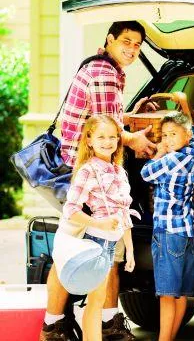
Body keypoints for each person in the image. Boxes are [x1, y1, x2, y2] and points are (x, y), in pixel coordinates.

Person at [40, 21, 155, 341]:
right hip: (88, 176)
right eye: (127, 42)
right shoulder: (105, 74)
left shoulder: (105, 69)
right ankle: (98, 326)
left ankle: (60, 325)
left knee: (82, 251)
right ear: (110, 40)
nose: (132, 49)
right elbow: (108, 131)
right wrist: (134, 141)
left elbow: (109, 120)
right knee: (92, 253)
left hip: (87, 171)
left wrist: (133, 116)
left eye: (138, 45)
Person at [57, 115, 139, 340]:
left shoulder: (119, 171)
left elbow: (124, 213)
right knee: (95, 301)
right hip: (96, 242)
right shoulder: (87, 170)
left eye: (112, 137)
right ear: (89, 140)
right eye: (101, 136)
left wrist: (130, 249)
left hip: (112, 243)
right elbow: (71, 209)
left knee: (99, 300)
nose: (107, 141)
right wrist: (98, 222)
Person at [140, 111, 194, 341]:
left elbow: (146, 173)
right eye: (164, 135)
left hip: (168, 233)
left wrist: (159, 152)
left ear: (185, 134)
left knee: (166, 295)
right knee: (181, 294)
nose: (167, 140)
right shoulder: (192, 152)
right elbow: (192, 131)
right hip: (188, 232)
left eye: (173, 134)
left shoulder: (173, 159)